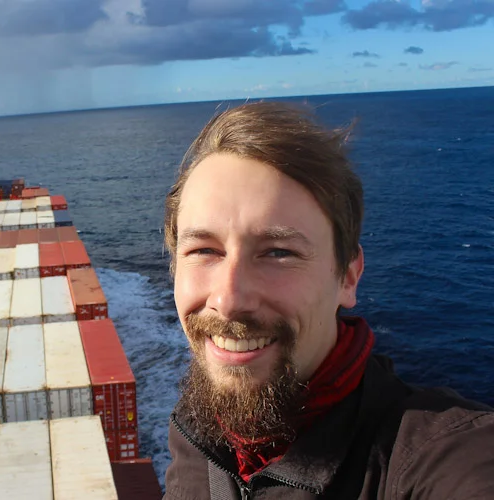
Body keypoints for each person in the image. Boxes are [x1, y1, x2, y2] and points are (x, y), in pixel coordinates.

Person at [162, 102, 494, 499]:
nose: (228, 299)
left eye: (278, 252)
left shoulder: (446, 457)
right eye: (203, 250)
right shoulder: (197, 429)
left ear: (348, 276)